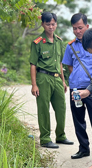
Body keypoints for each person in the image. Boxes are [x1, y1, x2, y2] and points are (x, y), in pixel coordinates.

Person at [62, 13, 92, 159]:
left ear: (87, 26)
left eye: (80, 28)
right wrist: (77, 79)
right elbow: (69, 66)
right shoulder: (70, 46)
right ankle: (83, 148)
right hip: (75, 89)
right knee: (78, 120)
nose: (77, 31)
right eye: (75, 28)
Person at [29, 12, 73, 149]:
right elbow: (33, 64)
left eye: (53, 24)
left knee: (61, 108)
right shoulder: (37, 42)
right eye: (48, 24)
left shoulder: (59, 41)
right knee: (43, 109)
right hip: (43, 78)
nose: (51, 27)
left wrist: (63, 81)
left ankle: (60, 136)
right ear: (43, 24)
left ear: (56, 24)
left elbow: (60, 63)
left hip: (57, 79)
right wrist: (34, 85)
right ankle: (45, 138)